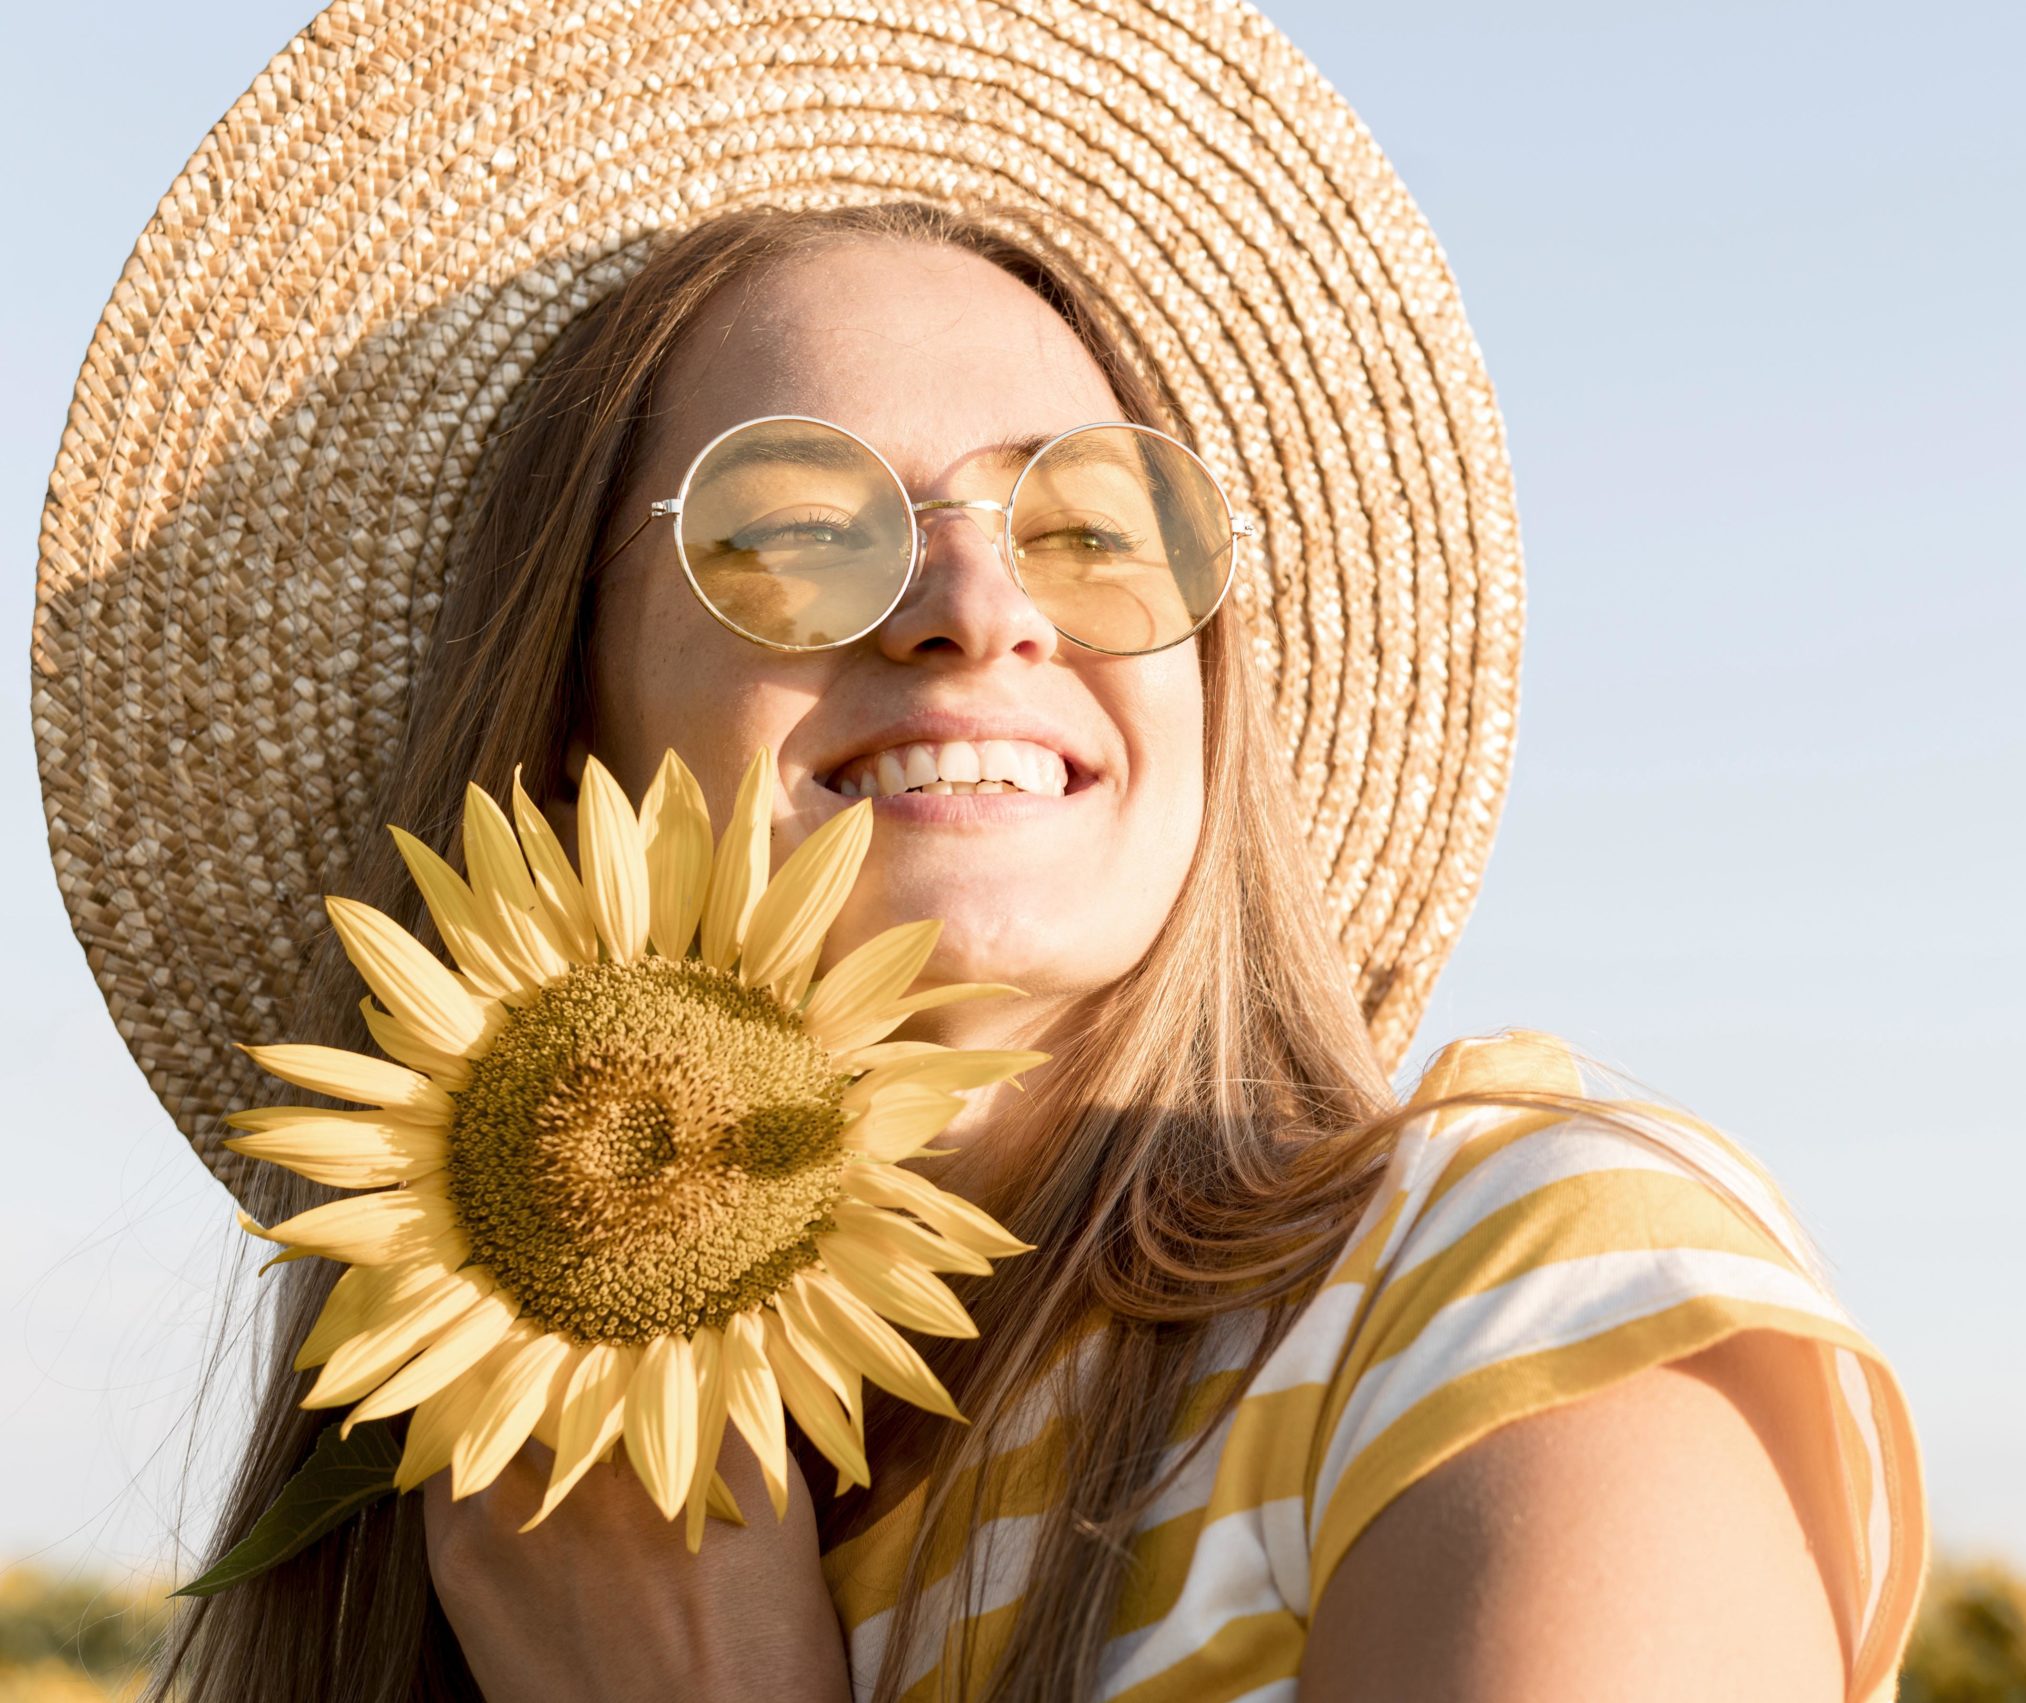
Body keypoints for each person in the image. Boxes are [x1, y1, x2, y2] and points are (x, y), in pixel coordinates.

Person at [30, 6, 1925, 1701]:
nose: (977, 605)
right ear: (568, 708)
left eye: (1095, 520)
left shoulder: (1507, 1299)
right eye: (795, 522)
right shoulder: (480, 1556)